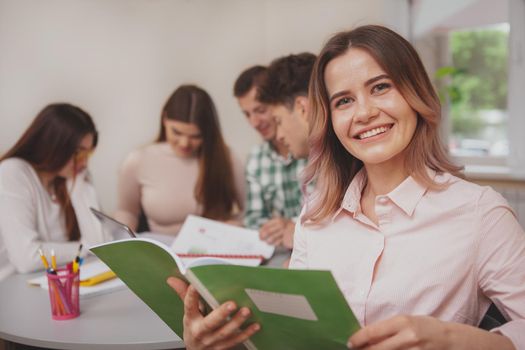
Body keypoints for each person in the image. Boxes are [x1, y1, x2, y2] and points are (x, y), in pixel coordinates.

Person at [168, 25, 525, 349]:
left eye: (381, 87)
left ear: (415, 93)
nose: (364, 112)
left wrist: (454, 339)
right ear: (331, 119)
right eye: (344, 101)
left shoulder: (481, 213)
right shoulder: (316, 214)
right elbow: (293, 336)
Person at [114, 85, 244, 236]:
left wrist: (235, 226)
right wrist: (122, 239)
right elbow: (127, 211)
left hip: (212, 251)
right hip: (160, 252)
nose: (184, 143)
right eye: (177, 132)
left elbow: (250, 211)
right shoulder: (138, 160)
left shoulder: (227, 159)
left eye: (195, 136)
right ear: (164, 119)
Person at [0, 103, 110, 281]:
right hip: (13, 286)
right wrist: (86, 248)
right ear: (52, 145)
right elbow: (26, 258)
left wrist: (80, 186)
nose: (84, 163)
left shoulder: (69, 179)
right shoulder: (13, 172)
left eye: (87, 155)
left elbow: (102, 244)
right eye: (78, 153)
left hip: (54, 283)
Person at [234, 66, 306, 248]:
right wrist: (274, 229)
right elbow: (254, 219)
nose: (254, 122)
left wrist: (292, 225)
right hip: (278, 250)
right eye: (247, 114)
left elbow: (328, 216)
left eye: (260, 110)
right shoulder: (256, 159)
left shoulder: (311, 148)